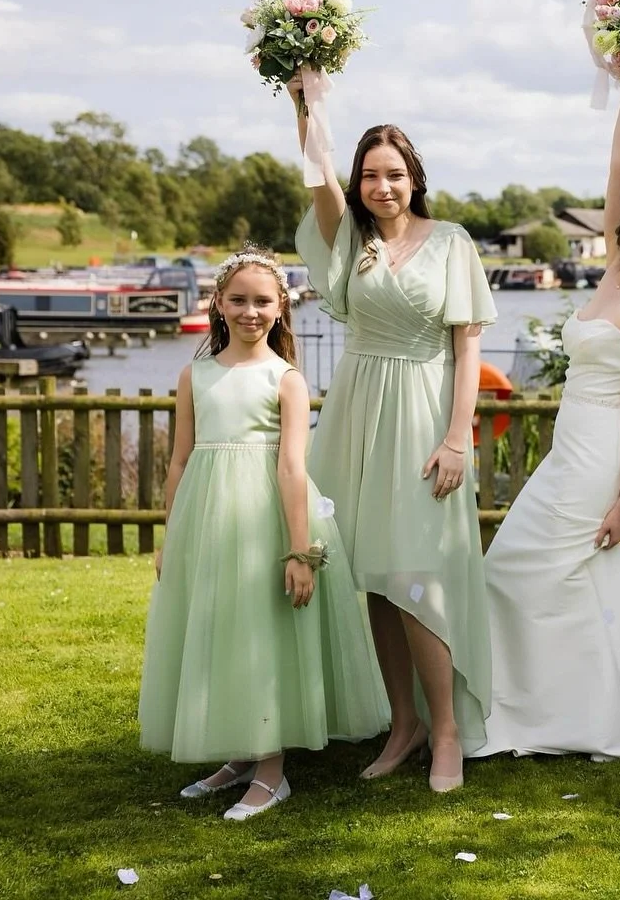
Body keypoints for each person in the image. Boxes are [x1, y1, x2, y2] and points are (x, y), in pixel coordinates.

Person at [474, 81, 620, 760]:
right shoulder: (611, 270)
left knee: (524, 568)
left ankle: (579, 713)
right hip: (570, 446)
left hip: (603, 452)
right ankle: (555, 702)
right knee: (547, 572)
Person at [289, 73, 497, 792]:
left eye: (395, 174)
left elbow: (469, 345)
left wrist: (458, 436)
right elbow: (316, 175)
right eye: (371, 175)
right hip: (358, 406)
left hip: (424, 409)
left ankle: (446, 734)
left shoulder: (452, 242)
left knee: (416, 573)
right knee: (375, 576)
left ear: (415, 179)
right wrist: (306, 103)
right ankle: (402, 723)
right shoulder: (348, 240)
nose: (383, 186)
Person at [139, 249, 387, 820]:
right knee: (223, 626)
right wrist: (171, 536)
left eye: (263, 301)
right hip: (208, 519)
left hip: (267, 517)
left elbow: (292, 467)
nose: (251, 311)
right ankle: (241, 753)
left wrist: (300, 551)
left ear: (282, 308)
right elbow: (179, 463)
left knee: (263, 633)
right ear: (219, 306)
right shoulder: (194, 374)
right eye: (239, 300)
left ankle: (272, 773)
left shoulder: (286, 379)